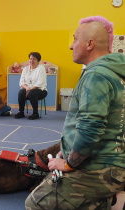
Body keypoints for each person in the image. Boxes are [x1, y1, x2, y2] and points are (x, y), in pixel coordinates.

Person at [25, 16, 125, 210]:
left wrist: (69, 164)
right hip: (114, 165)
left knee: (35, 204)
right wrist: (68, 148)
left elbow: (91, 129)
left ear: (90, 44)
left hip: (99, 169)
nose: (71, 46)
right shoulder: (115, 72)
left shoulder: (97, 75)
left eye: (75, 39)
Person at [15, 52, 47, 120]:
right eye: (30, 59)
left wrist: (29, 90)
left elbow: (40, 83)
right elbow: (21, 82)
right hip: (28, 89)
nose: (31, 61)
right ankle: (21, 112)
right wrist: (27, 88)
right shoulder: (26, 69)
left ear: (38, 61)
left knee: (32, 93)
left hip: (41, 90)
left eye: (34, 59)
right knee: (21, 92)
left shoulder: (41, 68)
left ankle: (35, 113)